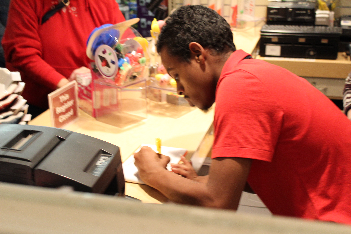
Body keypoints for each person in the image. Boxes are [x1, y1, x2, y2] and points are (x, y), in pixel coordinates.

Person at [134, 5, 351, 225]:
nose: (179, 88)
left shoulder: (241, 87)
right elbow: (263, 171)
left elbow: (218, 204)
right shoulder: (251, 73)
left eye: (177, 75)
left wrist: (153, 173)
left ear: (198, 54)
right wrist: (204, 182)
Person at [2, 0, 125, 118]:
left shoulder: (103, 3)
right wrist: (67, 86)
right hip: (44, 107)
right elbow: (23, 53)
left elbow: (124, 39)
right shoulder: (26, 2)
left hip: (99, 102)